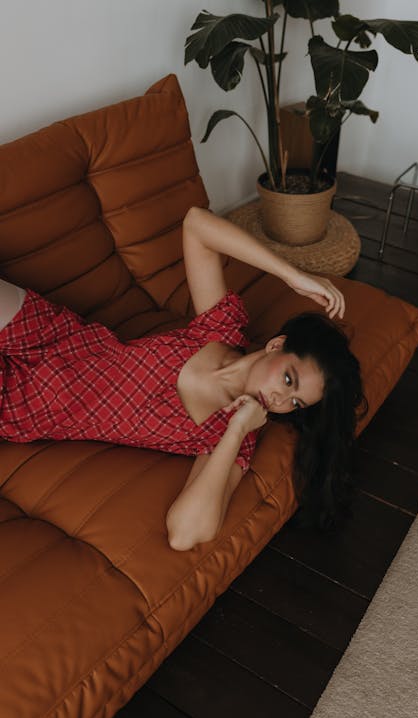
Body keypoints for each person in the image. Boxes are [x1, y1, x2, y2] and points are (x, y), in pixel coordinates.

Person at [0, 206, 367, 549]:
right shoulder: (219, 328)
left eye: (297, 402)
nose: (281, 402)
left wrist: (237, 430)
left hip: (22, 402)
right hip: (50, 334)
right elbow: (196, 224)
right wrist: (293, 275)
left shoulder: (227, 437)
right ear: (276, 346)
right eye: (288, 381)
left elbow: (184, 534)